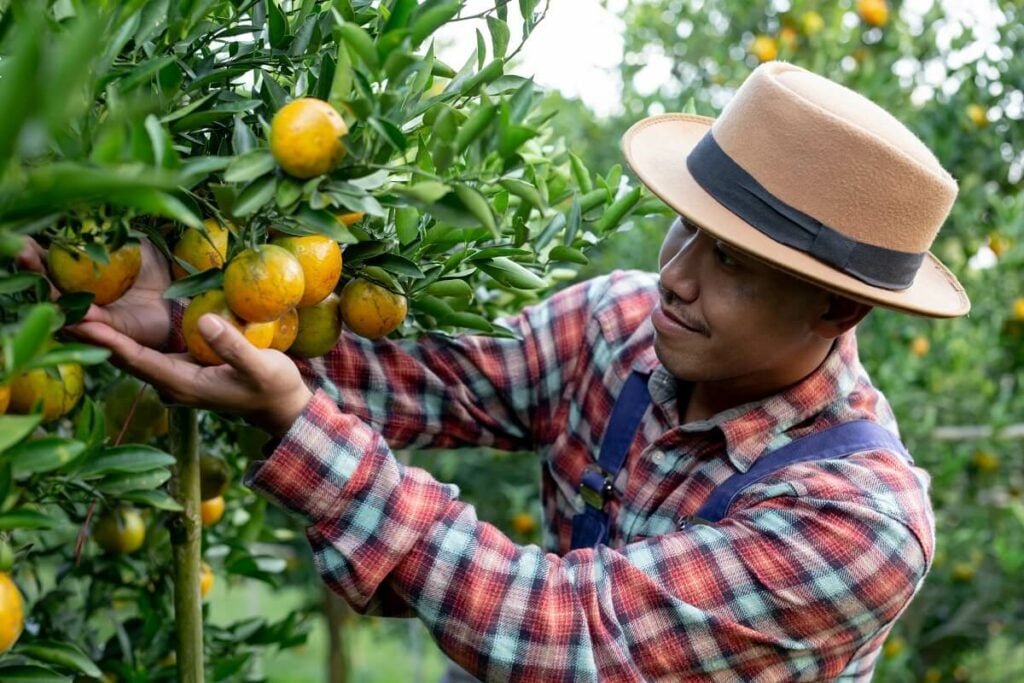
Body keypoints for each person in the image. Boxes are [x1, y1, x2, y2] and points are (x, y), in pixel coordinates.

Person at [21, 62, 968, 681]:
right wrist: (190, 303)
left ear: (838, 310)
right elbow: (421, 372)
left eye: (731, 262)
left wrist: (303, 431)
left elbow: (568, 636)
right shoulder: (619, 328)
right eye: (687, 228)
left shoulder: (858, 522)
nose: (674, 277)